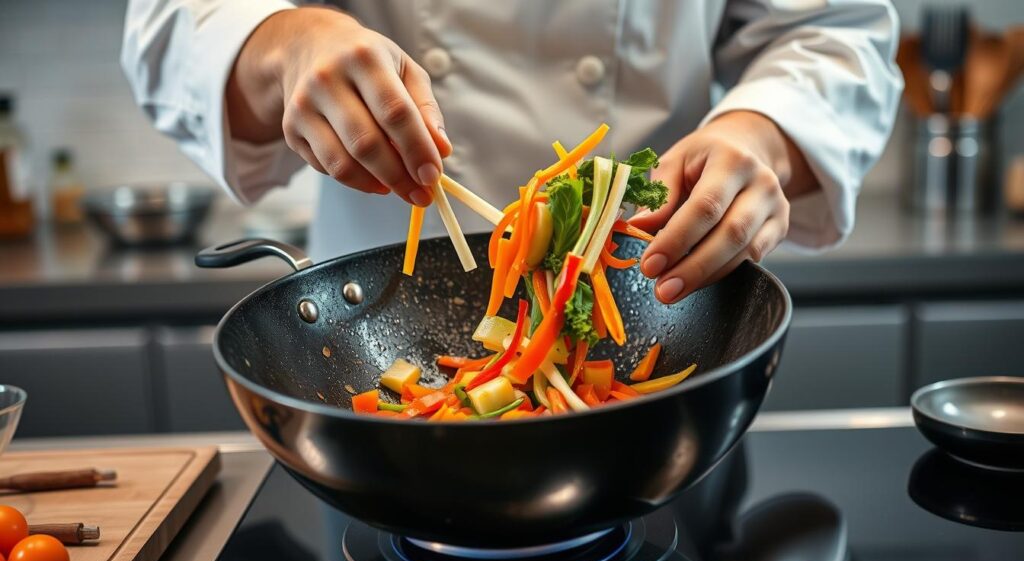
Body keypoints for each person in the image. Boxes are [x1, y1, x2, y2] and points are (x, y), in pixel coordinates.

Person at [122, 0, 901, 304]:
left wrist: (758, 132)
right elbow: (169, 25)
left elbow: (833, 31)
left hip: (656, 302)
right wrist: (286, 45)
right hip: (383, 311)